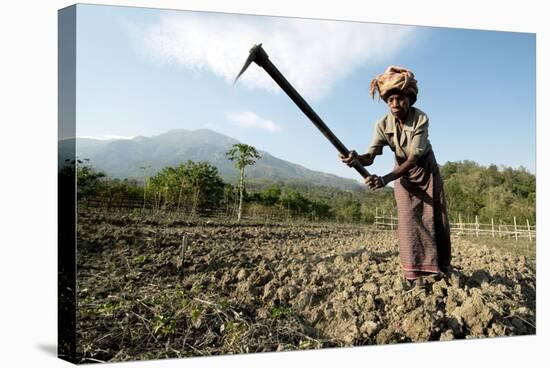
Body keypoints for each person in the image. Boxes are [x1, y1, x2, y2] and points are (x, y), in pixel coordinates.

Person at [340, 65, 451, 290]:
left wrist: (385, 178)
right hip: (402, 173)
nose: (394, 105)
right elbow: (371, 156)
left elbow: (414, 158)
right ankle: (414, 274)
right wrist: (356, 158)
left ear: (409, 99)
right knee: (408, 219)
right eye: (390, 101)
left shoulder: (420, 118)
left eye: (399, 99)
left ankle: (441, 267)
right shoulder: (381, 125)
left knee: (435, 217)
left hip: (425, 170)